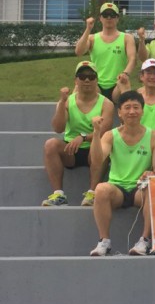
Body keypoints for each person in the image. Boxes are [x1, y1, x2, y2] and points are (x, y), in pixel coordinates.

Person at [88, 90, 155, 257]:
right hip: (117, 189)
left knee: (153, 188)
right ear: (119, 112)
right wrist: (96, 133)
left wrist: (151, 173)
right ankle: (104, 241)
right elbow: (97, 161)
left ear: (142, 111)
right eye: (127, 108)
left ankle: (145, 240)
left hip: (139, 189)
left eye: (136, 107)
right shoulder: (110, 135)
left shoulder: (154, 136)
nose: (132, 111)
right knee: (101, 189)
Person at [42, 61, 115, 207]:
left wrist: (82, 137)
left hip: (94, 148)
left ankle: (92, 193)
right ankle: (59, 194)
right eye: (82, 76)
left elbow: (104, 132)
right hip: (71, 150)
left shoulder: (106, 104)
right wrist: (62, 103)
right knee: (50, 144)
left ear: (96, 80)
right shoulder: (67, 102)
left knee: (103, 147)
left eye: (91, 76)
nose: (87, 80)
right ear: (76, 80)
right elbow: (58, 128)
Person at [75, 2, 136, 100]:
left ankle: (127, 108)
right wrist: (88, 29)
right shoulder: (92, 38)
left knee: (125, 84)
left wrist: (125, 74)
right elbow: (79, 52)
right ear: (100, 18)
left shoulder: (127, 38)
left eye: (112, 15)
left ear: (117, 18)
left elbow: (132, 59)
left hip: (117, 84)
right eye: (105, 15)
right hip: (96, 85)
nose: (109, 18)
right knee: (79, 85)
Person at [115, 59, 155, 130]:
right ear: (141, 76)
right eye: (148, 73)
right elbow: (123, 121)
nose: (152, 77)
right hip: (137, 137)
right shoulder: (134, 98)